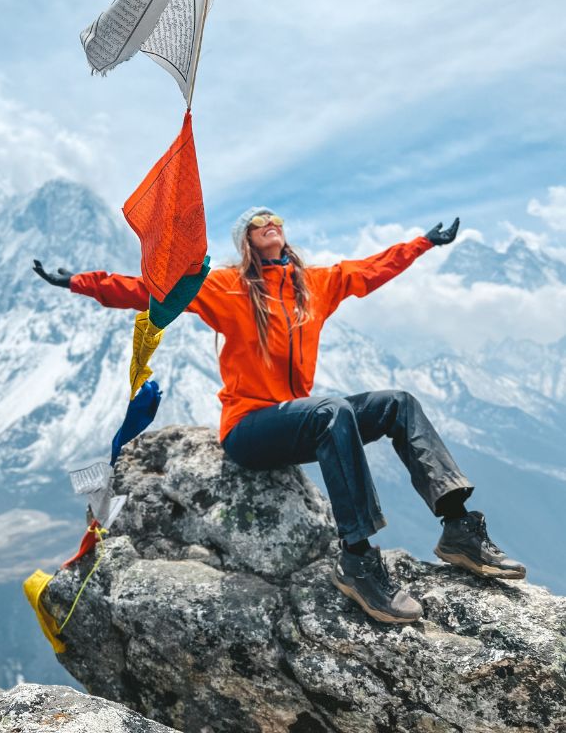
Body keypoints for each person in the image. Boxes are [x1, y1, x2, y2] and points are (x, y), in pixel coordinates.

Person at [33, 208, 526, 624]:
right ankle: (356, 559)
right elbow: (151, 290)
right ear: (246, 240)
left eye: (274, 219)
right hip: (249, 430)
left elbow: (372, 269)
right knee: (332, 410)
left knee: (397, 402)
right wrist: (79, 283)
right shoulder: (226, 287)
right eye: (257, 221)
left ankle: (458, 526)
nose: (269, 222)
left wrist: (423, 243)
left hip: (301, 420)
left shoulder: (315, 285)